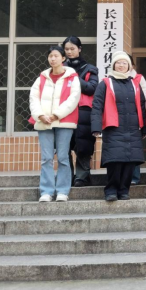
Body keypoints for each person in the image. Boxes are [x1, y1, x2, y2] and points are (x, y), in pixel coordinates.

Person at [91, 51, 146, 202]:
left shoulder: (134, 84)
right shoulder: (105, 83)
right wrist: (96, 126)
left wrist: (145, 127)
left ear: (129, 66)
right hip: (114, 128)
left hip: (132, 128)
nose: (121, 65)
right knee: (115, 161)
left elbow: (142, 106)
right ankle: (111, 190)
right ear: (113, 65)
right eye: (118, 63)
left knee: (130, 162)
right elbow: (97, 105)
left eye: (125, 63)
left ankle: (124, 190)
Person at [29, 46, 81, 202]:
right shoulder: (42, 78)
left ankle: (63, 191)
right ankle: (46, 191)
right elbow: (33, 98)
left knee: (63, 157)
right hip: (44, 122)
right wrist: (40, 115)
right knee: (46, 158)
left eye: (56, 56)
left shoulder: (72, 77)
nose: (53, 59)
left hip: (64, 122)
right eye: (50, 56)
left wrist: (56, 115)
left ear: (63, 58)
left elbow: (74, 99)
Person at [62, 36, 99, 188]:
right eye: (66, 49)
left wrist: (74, 77)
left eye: (72, 48)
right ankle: (67, 176)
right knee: (64, 147)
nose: (69, 52)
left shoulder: (90, 69)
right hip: (64, 112)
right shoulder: (59, 68)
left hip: (83, 112)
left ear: (79, 49)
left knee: (84, 146)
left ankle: (82, 177)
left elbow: (92, 88)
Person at [128, 54, 146, 186]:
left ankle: (134, 177)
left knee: (134, 149)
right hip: (119, 121)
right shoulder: (110, 79)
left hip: (136, 120)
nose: (123, 65)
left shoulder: (139, 78)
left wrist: (145, 124)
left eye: (126, 62)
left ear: (132, 65)